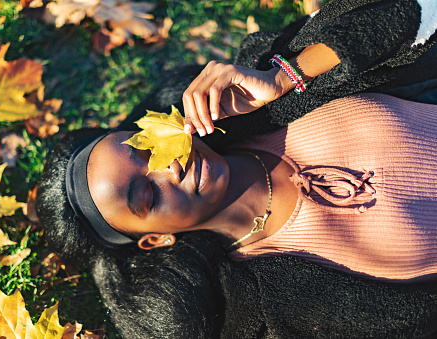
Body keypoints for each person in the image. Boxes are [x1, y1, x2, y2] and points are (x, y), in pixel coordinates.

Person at [37, 0, 437, 337]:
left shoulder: (263, 101)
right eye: (147, 194)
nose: (170, 168)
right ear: (154, 240)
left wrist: (285, 75)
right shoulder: (271, 305)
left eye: (148, 149)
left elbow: (409, 15)